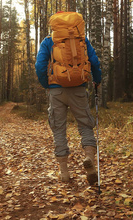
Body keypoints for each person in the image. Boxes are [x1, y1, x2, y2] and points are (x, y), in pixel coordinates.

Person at [35, 12, 102, 185]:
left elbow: (40, 65)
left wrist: (47, 84)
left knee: (58, 128)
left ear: (55, 26)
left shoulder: (49, 41)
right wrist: (97, 80)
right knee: (85, 125)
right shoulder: (82, 40)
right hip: (78, 89)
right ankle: (89, 160)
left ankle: (64, 173)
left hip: (56, 90)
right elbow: (94, 62)